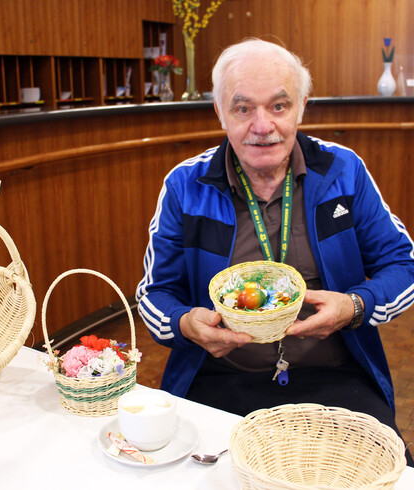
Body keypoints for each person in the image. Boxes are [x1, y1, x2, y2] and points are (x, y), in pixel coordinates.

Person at [136, 38, 414, 464]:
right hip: (219, 378)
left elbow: (404, 264)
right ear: (219, 111)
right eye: (243, 108)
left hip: (334, 379)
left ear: (303, 105)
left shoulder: (343, 171)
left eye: (279, 107)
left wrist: (356, 306)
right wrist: (184, 323)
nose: (262, 126)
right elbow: (154, 295)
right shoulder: (184, 186)